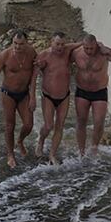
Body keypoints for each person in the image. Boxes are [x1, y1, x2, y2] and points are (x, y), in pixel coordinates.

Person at [0, 30, 37, 168]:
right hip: (8, 94)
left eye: (21, 44)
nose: (18, 47)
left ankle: (20, 141)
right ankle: (10, 154)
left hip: (24, 94)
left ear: (26, 43)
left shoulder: (31, 52)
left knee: (28, 124)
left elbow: (34, 74)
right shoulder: (5, 55)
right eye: (15, 43)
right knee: (10, 125)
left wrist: (33, 96)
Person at [71, 34, 111, 156]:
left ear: (96, 45)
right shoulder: (77, 53)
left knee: (99, 121)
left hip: (99, 91)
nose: (89, 51)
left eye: (91, 48)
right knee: (81, 120)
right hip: (82, 91)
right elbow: (61, 60)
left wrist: (109, 51)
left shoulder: (104, 53)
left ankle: (94, 147)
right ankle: (81, 151)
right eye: (86, 48)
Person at [29, 32, 82, 164]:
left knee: (60, 126)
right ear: (51, 42)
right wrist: (32, 98)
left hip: (64, 96)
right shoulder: (43, 56)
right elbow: (34, 77)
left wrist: (97, 44)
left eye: (62, 44)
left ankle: (52, 154)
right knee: (48, 125)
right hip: (48, 96)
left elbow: (82, 43)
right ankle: (41, 140)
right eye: (57, 44)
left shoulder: (67, 49)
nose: (60, 47)